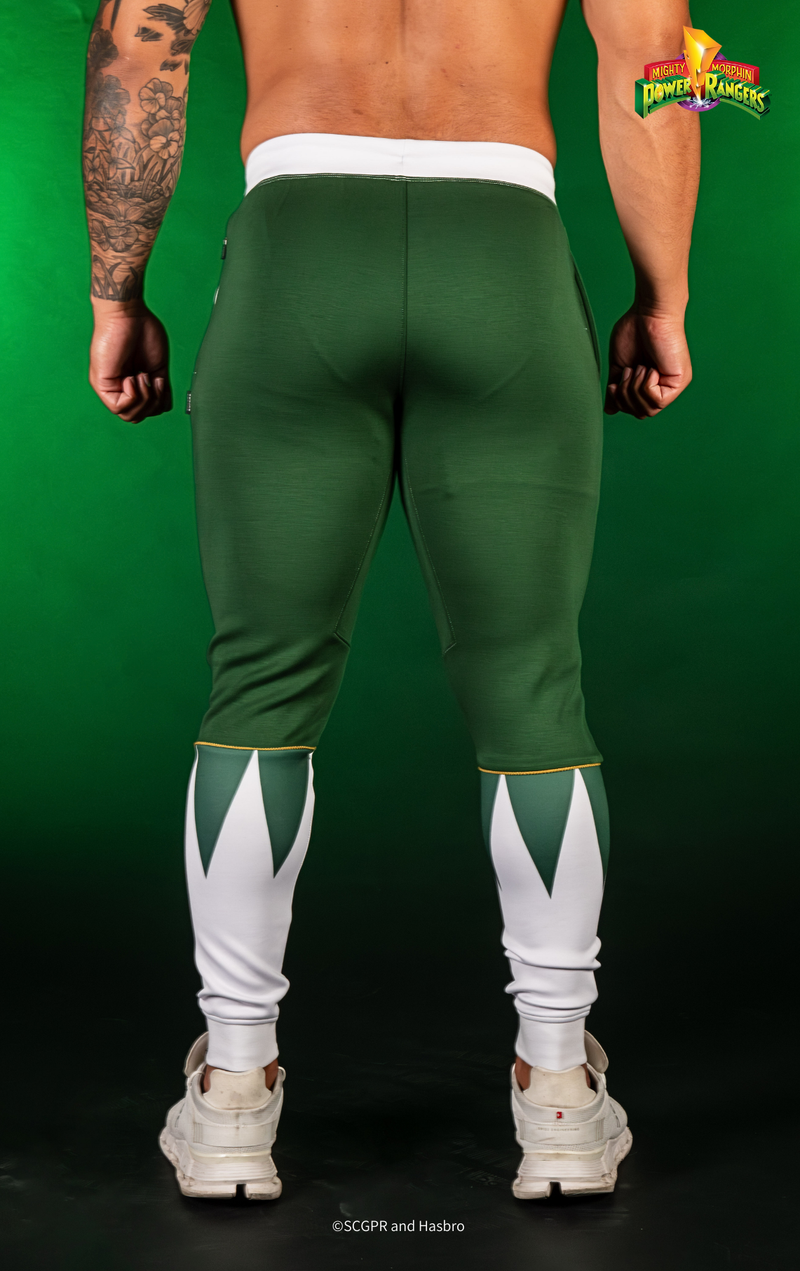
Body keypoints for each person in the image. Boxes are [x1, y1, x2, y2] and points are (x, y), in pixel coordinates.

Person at [83, 0, 698, 1201]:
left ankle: (234, 1094)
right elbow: (657, 62)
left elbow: (137, 51)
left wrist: (118, 295)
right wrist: (660, 298)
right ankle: (559, 1093)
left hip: (297, 245)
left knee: (260, 683)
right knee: (531, 684)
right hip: (504, 249)